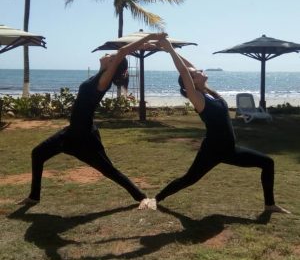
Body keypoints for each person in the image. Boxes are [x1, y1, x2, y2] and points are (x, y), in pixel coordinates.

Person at [18, 32, 167, 209]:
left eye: (111, 56)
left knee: (108, 170)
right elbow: (120, 55)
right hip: (71, 132)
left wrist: (150, 37)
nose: (107, 55)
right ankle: (34, 196)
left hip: (84, 137)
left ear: (113, 65)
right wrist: (146, 44)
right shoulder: (99, 76)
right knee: (38, 154)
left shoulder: (104, 81)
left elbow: (122, 52)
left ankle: (141, 196)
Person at [144, 38, 290, 213]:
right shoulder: (197, 98)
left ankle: (270, 205)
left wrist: (169, 51)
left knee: (268, 163)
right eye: (196, 72)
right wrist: (169, 48)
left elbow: (188, 68)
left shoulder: (208, 92)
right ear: (192, 82)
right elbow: (184, 71)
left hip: (229, 150)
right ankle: (157, 198)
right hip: (212, 151)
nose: (199, 70)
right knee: (189, 179)